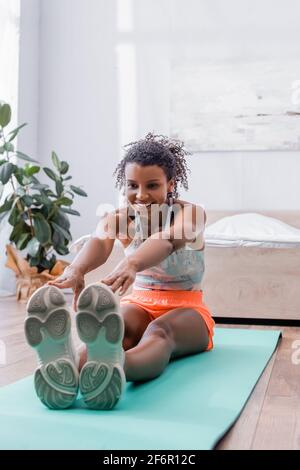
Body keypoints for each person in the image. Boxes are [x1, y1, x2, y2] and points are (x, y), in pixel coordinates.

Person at [25, 133, 215, 410]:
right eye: (132, 185)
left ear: (170, 184)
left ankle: (113, 366)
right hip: (138, 301)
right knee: (113, 332)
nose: (141, 195)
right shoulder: (119, 218)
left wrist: (133, 263)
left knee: (160, 333)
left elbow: (170, 238)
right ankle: (69, 367)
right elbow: (99, 243)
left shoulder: (191, 214)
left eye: (152, 185)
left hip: (188, 308)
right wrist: (76, 270)